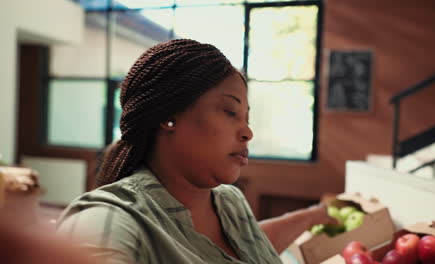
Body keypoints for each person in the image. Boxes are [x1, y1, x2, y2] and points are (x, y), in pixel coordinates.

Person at [56, 39, 335, 264]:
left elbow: (244, 248)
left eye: (247, 118)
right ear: (168, 117)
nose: (247, 132)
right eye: (229, 111)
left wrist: (314, 215)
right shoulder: (111, 219)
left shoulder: (228, 201)